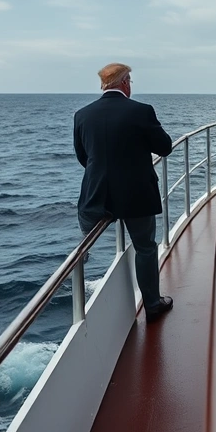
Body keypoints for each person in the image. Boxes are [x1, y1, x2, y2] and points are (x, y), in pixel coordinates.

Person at [73, 63, 174, 322]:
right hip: (136, 195)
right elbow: (164, 147)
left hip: (96, 197)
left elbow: (83, 157)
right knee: (145, 248)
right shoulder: (141, 111)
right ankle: (152, 303)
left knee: (86, 243)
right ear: (125, 83)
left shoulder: (82, 115)